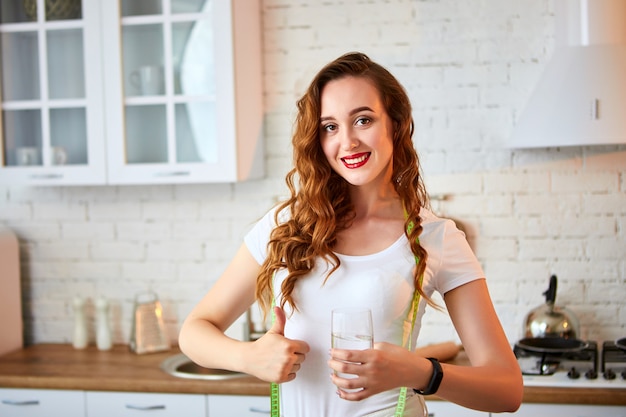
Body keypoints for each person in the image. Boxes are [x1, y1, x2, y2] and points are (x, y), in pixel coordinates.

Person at [179, 52, 523, 417]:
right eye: (330, 127)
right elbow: (194, 331)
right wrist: (247, 356)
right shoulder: (286, 226)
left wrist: (420, 371)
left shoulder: (436, 237)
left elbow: (506, 390)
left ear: (396, 124)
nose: (347, 142)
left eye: (363, 120)